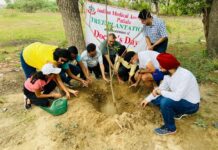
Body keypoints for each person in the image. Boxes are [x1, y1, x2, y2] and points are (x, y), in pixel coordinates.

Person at [140, 53, 200, 135]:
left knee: (165, 102)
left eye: (161, 66)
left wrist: (159, 91)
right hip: (180, 100)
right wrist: (147, 99)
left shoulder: (185, 75)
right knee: (155, 99)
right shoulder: (167, 75)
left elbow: (176, 97)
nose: (159, 68)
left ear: (168, 67)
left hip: (191, 105)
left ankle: (170, 128)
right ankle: (176, 112)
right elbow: (161, 89)